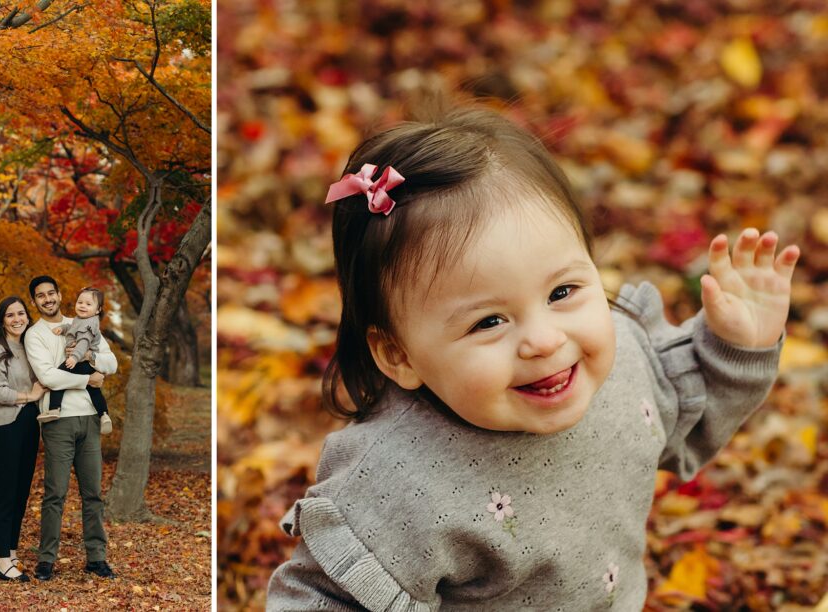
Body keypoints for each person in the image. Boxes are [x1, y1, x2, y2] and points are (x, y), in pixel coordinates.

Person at [265, 102, 800, 609]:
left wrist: (737, 346)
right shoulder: (400, 482)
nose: (544, 340)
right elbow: (319, 600)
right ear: (398, 354)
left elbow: (692, 412)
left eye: (562, 292)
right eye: (488, 321)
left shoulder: (625, 371)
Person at [23, 275, 118, 581]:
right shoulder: (35, 334)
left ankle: (96, 558)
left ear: (60, 294)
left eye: (52, 293)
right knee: (55, 494)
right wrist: (88, 379)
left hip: (90, 419)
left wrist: (90, 357)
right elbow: (48, 376)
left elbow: (112, 363)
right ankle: (46, 560)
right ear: (35, 301)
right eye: (41, 296)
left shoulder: (85, 321)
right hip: (57, 421)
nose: (48, 299)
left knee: (93, 494)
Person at [0, 296, 45, 582]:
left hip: (30, 422)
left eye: (21, 313)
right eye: (10, 315)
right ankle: (2, 560)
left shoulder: (30, 346)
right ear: (1, 320)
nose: (17, 319)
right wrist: (29, 396)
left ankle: (12, 552)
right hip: (6, 424)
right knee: (6, 490)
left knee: (21, 491)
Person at [38, 286, 112, 435]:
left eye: (88, 304)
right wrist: (64, 328)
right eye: (80, 302)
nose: (83, 306)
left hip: (82, 361)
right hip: (87, 365)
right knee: (94, 390)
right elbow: (73, 328)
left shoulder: (89, 324)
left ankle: (54, 409)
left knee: (59, 376)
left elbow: (83, 342)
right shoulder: (82, 320)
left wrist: (74, 357)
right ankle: (104, 415)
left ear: (98, 310)